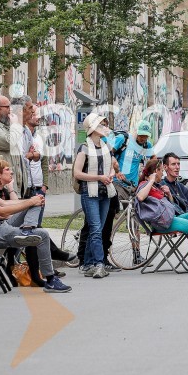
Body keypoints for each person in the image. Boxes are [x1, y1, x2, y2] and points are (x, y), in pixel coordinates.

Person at [0, 154, 71, 293]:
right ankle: (51, 281)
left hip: (1, 227)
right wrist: (29, 202)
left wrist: (32, 200)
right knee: (42, 235)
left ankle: (28, 228)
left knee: (37, 200)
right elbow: (2, 211)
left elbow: (4, 203)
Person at [0, 159, 71, 285]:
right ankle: (43, 264)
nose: (12, 172)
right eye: (7, 170)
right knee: (34, 223)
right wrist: (10, 213)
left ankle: (28, 230)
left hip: (9, 224)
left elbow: (19, 206)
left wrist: (11, 190)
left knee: (36, 202)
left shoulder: (4, 191)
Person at [74, 116, 124, 272]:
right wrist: (99, 177)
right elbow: (77, 173)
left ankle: (88, 263)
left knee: (98, 229)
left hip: (105, 192)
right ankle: (99, 264)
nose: (104, 127)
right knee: (95, 228)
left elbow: (111, 164)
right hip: (89, 192)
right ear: (93, 129)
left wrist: (110, 174)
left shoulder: (106, 145)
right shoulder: (84, 148)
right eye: (101, 125)